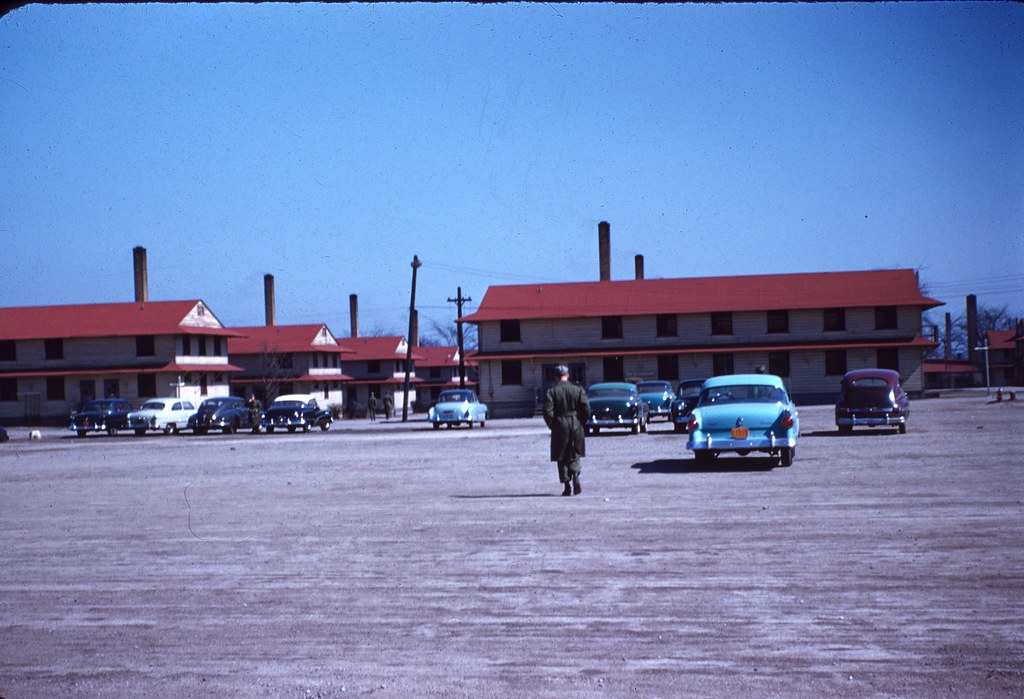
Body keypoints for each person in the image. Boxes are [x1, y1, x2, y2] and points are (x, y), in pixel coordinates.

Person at [543, 365, 591, 496]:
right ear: (567, 375)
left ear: (555, 376)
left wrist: (553, 424)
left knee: (561, 455)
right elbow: (586, 408)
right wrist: (581, 421)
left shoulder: (551, 392)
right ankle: (575, 475)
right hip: (575, 423)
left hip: (560, 425)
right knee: (574, 452)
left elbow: (547, 411)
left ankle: (567, 486)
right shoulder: (578, 390)